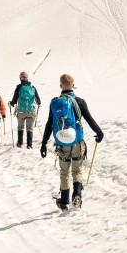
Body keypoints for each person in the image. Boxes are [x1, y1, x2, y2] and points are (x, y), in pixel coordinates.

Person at [40, 73, 105, 211]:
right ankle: (77, 197)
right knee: (77, 170)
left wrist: (43, 143)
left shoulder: (55, 102)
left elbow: (49, 124)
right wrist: (99, 132)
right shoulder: (79, 101)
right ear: (73, 84)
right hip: (77, 142)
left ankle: (64, 201)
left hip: (61, 144)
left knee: (64, 172)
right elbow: (89, 119)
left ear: (60, 85)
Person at [9, 71, 41, 148]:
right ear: (27, 78)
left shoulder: (19, 88)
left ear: (20, 78)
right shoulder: (33, 88)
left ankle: (20, 143)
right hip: (31, 111)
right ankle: (29, 145)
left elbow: (14, 100)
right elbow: (38, 101)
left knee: (20, 127)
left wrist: (11, 103)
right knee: (30, 128)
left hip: (21, 111)